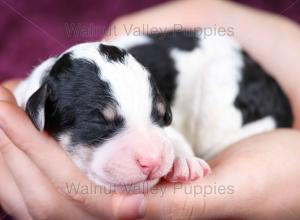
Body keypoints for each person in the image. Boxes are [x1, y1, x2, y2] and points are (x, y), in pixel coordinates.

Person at [1, 0, 300, 219]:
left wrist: (181, 156)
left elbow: (169, 135)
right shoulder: (44, 95)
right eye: (102, 124)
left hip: (236, 90)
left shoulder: (207, 69)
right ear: (42, 110)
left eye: (157, 116)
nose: (151, 159)